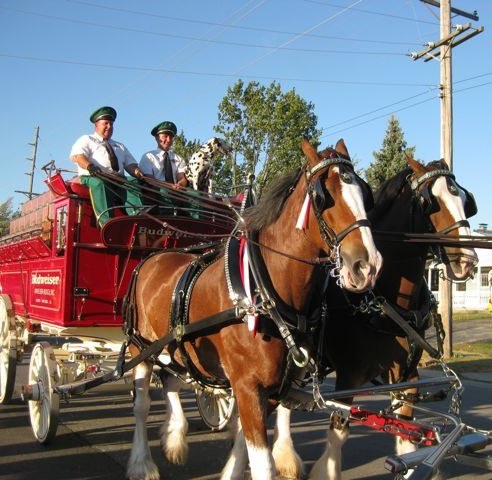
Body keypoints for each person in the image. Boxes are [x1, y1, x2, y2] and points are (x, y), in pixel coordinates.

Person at [70, 106, 144, 226]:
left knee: (133, 181)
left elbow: (131, 165)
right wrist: (90, 166)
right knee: (99, 183)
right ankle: (106, 222)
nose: (109, 127)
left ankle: (138, 215)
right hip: (93, 176)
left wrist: (139, 173)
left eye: (111, 124)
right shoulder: (86, 139)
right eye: (106, 123)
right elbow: (78, 157)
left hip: (117, 179)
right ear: (96, 125)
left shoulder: (119, 146)